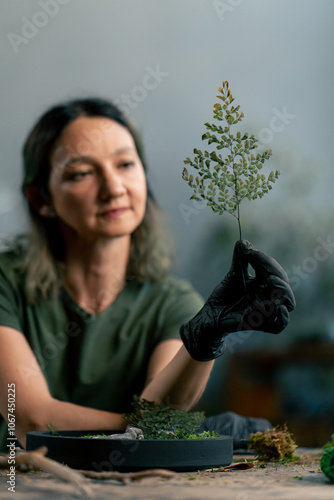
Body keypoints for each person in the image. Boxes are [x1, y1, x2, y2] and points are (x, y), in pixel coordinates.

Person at [0, 98, 295, 452]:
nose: (113, 188)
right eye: (81, 173)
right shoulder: (6, 284)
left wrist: (204, 337)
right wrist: (179, 430)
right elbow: (29, 420)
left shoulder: (172, 302)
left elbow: (162, 410)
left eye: (125, 164)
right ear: (40, 198)